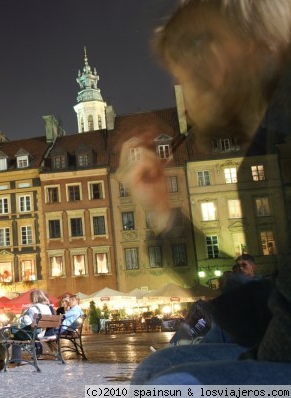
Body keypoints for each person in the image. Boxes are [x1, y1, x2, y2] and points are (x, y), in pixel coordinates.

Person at [126, 0, 291, 384]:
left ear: (221, 57)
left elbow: (279, 337)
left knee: (170, 384)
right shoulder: (272, 136)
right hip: (278, 337)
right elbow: (274, 311)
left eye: (188, 77)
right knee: (159, 366)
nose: (189, 102)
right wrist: (163, 212)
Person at [0, 289, 52, 372]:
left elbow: (25, 322)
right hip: (37, 334)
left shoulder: (33, 309)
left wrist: (15, 322)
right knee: (1, 333)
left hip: (24, 334)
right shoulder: (47, 309)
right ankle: (0, 361)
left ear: (33, 298)